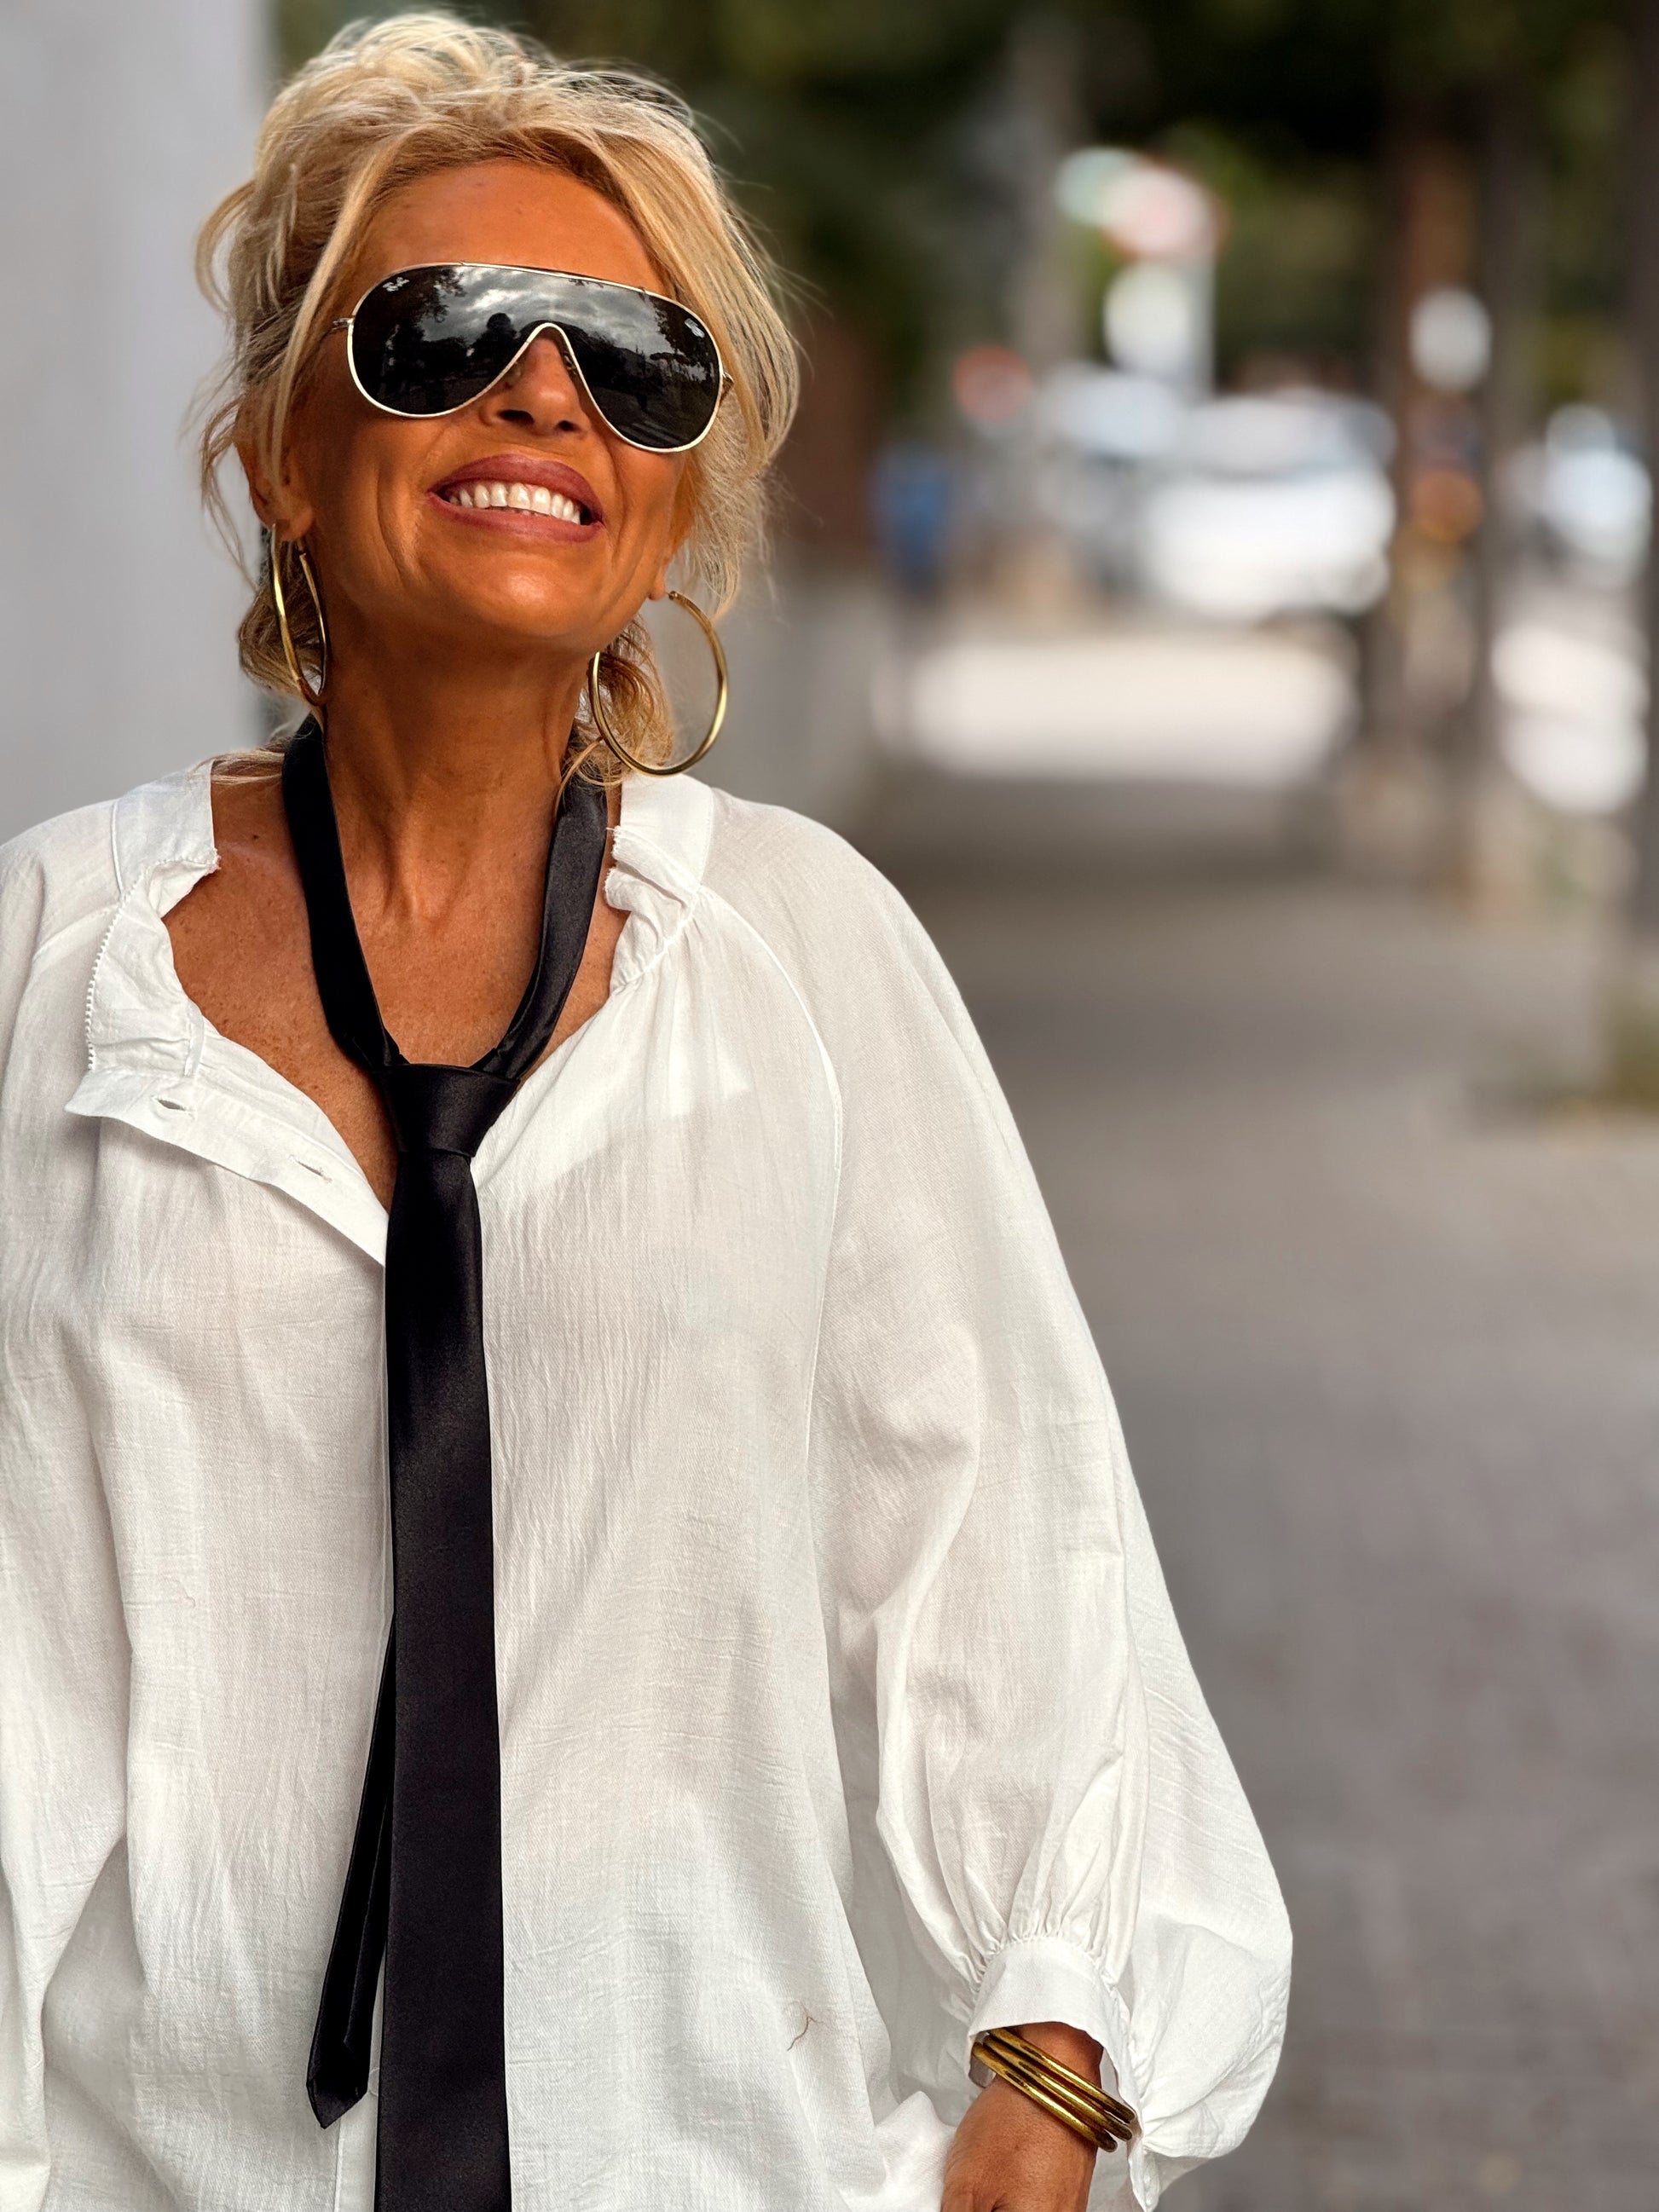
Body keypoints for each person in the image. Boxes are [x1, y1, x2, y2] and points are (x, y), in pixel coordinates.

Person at [0, 17, 1289, 2212]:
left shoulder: (802, 954)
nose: (544, 394)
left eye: (636, 360)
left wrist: (1059, 2056)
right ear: (286, 449)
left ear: (673, 495)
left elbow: (1011, 1535)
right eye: (443, 330)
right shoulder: (54, 962)